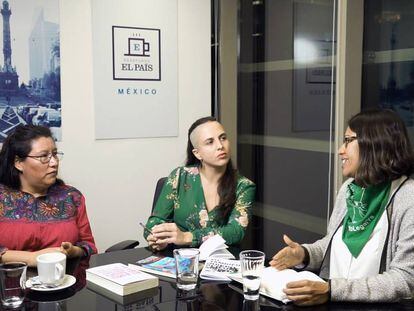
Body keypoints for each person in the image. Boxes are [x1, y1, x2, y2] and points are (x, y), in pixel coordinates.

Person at [270, 109, 414, 305]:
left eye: (348, 140)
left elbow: (405, 279)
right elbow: (332, 244)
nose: (340, 150)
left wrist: (333, 290)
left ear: (375, 144)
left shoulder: (408, 197)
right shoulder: (349, 189)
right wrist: (303, 254)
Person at [144, 116, 255, 250]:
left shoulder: (243, 186)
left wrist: (186, 237)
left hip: (222, 263)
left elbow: (236, 232)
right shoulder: (179, 177)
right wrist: (156, 237)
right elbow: (155, 221)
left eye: (223, 138)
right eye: (210, 142)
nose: (220, 146)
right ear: (197, 153)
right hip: (180, 260)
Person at [0, 125, 97, 267]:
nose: (54, 162)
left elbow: (89, 246)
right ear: (19, 163)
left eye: (55, 154)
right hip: (9, 284)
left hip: (62, 283)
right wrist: (31, 258)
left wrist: (73, 251)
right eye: (43, 156)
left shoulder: (71, 197)